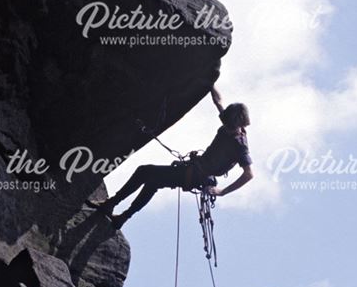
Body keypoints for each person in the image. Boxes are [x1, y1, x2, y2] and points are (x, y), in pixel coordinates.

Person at [91, 84, 254, 229]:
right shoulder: (229, 121)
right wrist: (211, 81)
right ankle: (122, 218)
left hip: (196, 176)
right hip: (193, 170)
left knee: (144, 171)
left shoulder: (240, 145)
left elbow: (249, 175)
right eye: (225, 124)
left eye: (229, 127)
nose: (226, 128)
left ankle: (110, 204)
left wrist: (222, 192)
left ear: (239, 124)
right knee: (153, 183)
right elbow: (218, 101)